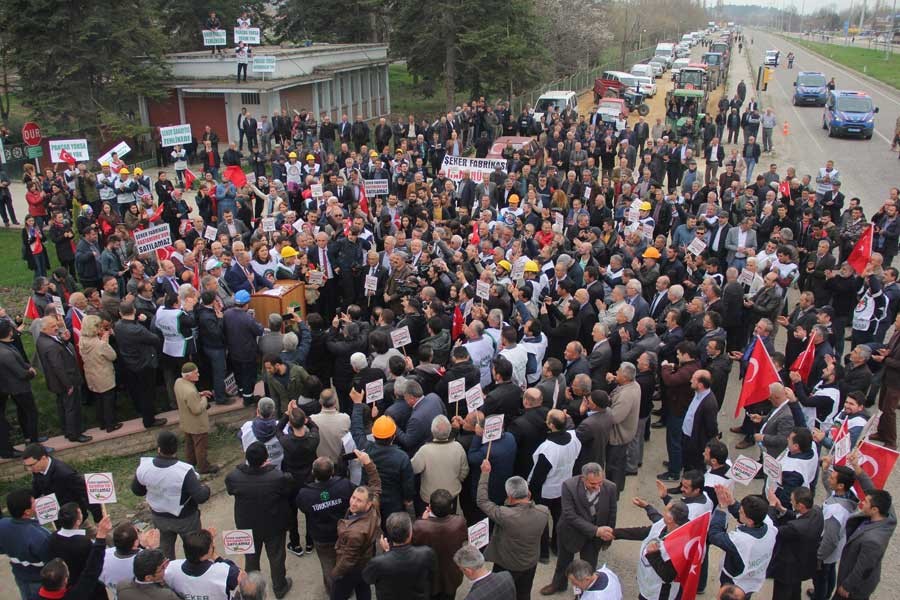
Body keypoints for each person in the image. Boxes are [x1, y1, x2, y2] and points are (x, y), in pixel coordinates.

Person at [224, 442, 293, 599]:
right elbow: (288, 488)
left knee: (251, 560)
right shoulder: (276, 477)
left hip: (246, 526)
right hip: (273, 525)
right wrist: (270, 468)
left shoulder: (234, 476)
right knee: (276, 557)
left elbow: (230, 489)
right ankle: (280, 586)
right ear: (266, 458)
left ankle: (252, 591)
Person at [131, 431, 211, 560]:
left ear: (159, 448)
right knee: (194, 550)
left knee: (165, 553)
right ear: (176, 449)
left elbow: (137, 490)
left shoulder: (144, 467)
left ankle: (167, 575)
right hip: (185, 519)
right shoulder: (184, 470)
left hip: (159, 517)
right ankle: (193, 573)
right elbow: (200, 497)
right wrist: (206, 489)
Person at [541, 463, 617, 596]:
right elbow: (569, 515)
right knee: (563, 562)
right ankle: (558, 584)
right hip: (571, 532)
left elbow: (612, 513)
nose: (597, 487)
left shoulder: (610, 487)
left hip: (593, 537)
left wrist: (608, 537)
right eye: (593, 484)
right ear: (583, 478)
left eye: (600, 482)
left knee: (588, 566)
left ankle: (585, 592)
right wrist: (596, 530)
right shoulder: (568, 486)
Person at [477, 460, 549, 600]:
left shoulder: (505, 514)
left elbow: (482, 501)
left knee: (501, 594)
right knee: (523, 594)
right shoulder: (544, 511)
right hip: (530, 563)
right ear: (528, 492)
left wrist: (485, 474)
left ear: (509, 497)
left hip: (506, 564)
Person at [833, 451, 897, 600]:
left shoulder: (873, 541)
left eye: (866, 502)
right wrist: (857, 467)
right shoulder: (888, 514)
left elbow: (863, 567)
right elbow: (871, 490)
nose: (862, 502)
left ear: (875, 510)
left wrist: (847, 586)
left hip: (854, 589)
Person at [708, 485, 777, 596]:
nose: (739, 511)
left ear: (750, 521)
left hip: (735, 582)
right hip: (753, 578)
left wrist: (722, 509)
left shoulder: (740, 541)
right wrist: (732, 502)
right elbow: (747, 515)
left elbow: (714, 535)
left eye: (741, 511)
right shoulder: (769, 525)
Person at [332, 450, 381, 600]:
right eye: (353, 497)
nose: (353, 502)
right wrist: (368, 463)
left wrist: (336, 573)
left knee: (338, 595)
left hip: (353, 567)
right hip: (367, 558)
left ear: (367, 504)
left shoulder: (355, 532)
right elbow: (375, 483)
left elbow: (348, 558)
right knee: (363, 588)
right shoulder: (374, 505)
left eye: (359, 500)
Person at [35, 316, 91, 443]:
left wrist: (64, 341)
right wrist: (68, 385)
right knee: (72, 407)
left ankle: (67, 430)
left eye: (56, 325)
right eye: (53, 327)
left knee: (63, 406)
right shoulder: (50, 346)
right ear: (44, 328)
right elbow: (58, 367)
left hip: (58, 382)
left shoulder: (43, 339)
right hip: (67, 381)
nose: (56, 328)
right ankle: (75, 434)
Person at [115, 301, 167, 429]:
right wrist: (144, 323)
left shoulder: (118, 325)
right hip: (144, 363)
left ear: (120, 313)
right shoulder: (137, 329)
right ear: (134, 310)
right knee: (147, 392)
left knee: (139, 392)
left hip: (130, 362)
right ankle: (149, 420)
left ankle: (145, 413)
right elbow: (154, 338)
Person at [35, 513, 113, 600]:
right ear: (65, 580)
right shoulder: (75, 596)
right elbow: (91, 571)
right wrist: (101, 536)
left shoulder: (35, 596)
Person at [765, 486, 824, 600]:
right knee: (795, 591)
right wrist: (783, 509)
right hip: (803, 563)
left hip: (788, 569)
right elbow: (799, 516)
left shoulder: (794, 528)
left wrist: (771, 506)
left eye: (792, 501)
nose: (790, 501)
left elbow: (772, 529)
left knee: (781, 594)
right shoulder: (817, 512)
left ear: (800, 505)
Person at [362, 512, 435, 599]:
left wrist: (387, 552)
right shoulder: (426, 553)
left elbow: (368, 578)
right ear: (410, 533)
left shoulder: (377, 562)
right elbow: (432, 574)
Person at [411, 489, 468, 600]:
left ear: (430, 507)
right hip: (451, 573)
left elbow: (414, 543)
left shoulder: (419, 526)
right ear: (451, 506)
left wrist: (423, 520)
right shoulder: (459, 522)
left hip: (428, 576)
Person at [23, 444, 102, 524]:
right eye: (27, 466)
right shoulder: (37, 470)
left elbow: (86, 493)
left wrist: (99, 518)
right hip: (58, 517)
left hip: (73, 519)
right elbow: (37, 489)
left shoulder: (65, 473)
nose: (30, 469)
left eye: (32, 465)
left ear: (43, 458)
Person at [0, 487, 52, 600]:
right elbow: (50, 562)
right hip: (37, 580)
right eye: (33, 502)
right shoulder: (39, 535)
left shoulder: (2, 524)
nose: (36, 503)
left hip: (19, 575)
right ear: (27, 511)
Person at [163, 529, 242, 600]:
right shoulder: (225, 572)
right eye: (211, 546)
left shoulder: (170, 568)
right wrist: (215, 556)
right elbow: (241, 576)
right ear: (205, 555)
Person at [174, 362, 218, 475]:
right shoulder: (191, 392)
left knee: (189, 444)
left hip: (186, 421)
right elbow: (197, 409)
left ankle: (190, 462)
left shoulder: (179, 382)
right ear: (188, 376)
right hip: (197, 424)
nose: (198, 374)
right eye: (195, 373)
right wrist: (204, 398)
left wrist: (200, 393)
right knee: (200, 446)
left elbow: (186, 397)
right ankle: (203, 467)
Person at [115, 549, 180, 600]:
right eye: (162, 568)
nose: (165, 570)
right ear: (148, 577)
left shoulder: (122, 586)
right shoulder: (167, 596)